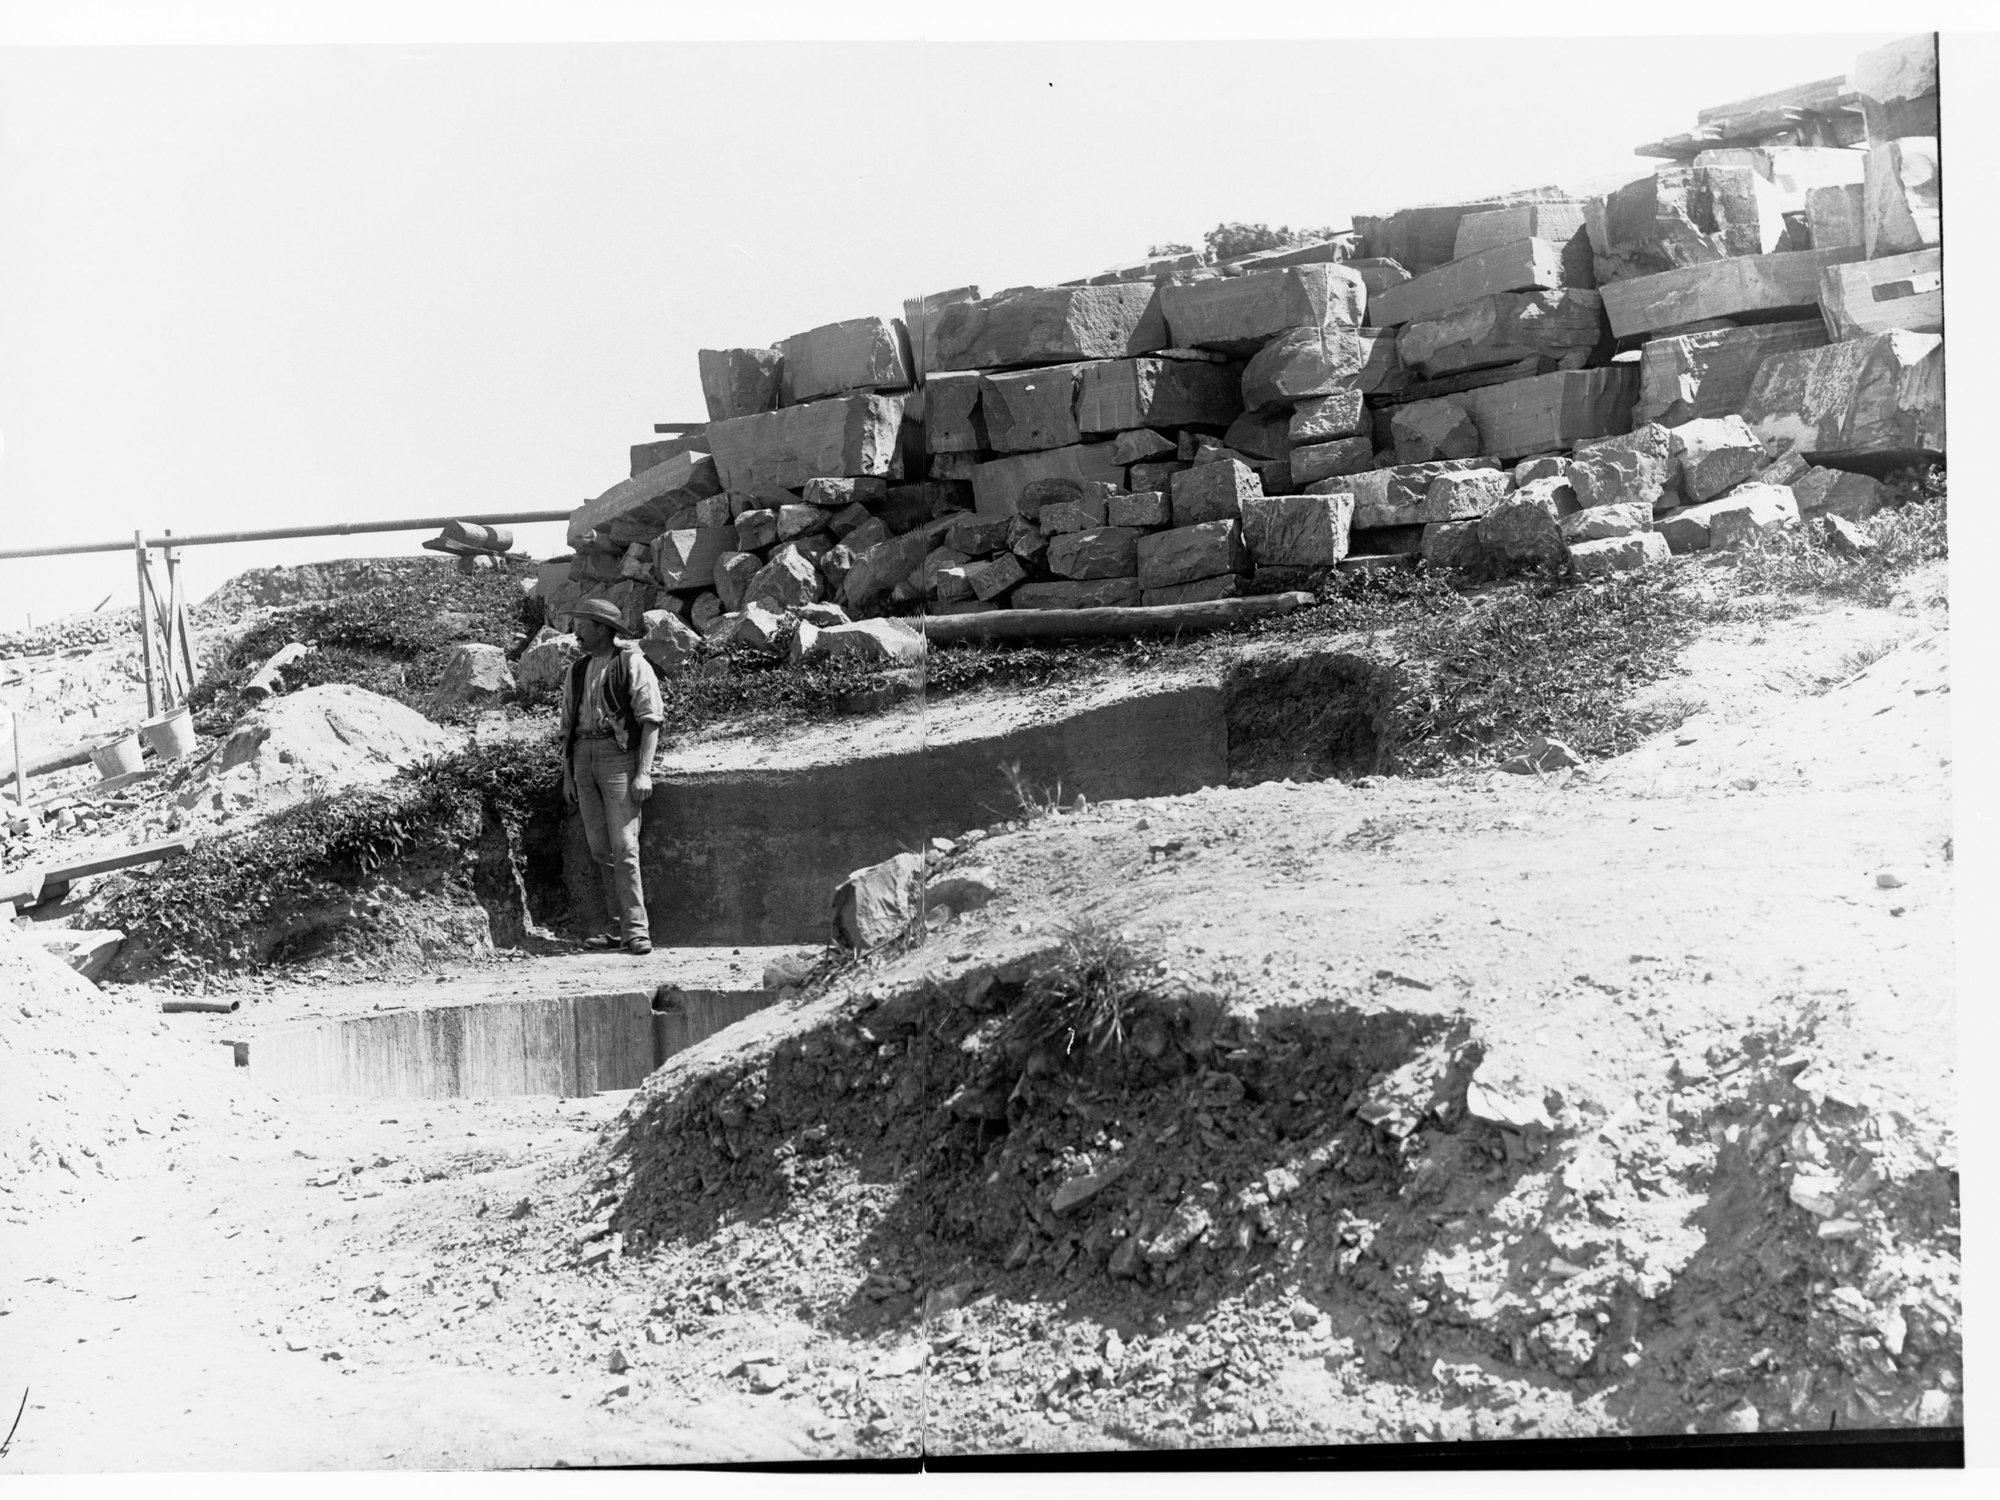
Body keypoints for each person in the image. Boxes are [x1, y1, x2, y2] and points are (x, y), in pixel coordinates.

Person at [558, 598, 664, 956]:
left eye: (583, 625)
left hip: (618, 758)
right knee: (600, 848)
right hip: (583, 760)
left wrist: (643, 772)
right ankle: (617, 928)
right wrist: (569, 775)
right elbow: (567, 728)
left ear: (602, 629)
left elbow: (651, 720)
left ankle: (637, 931)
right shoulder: (576, 670)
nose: (577, 632)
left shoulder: (633, 663)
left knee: (624, 846)